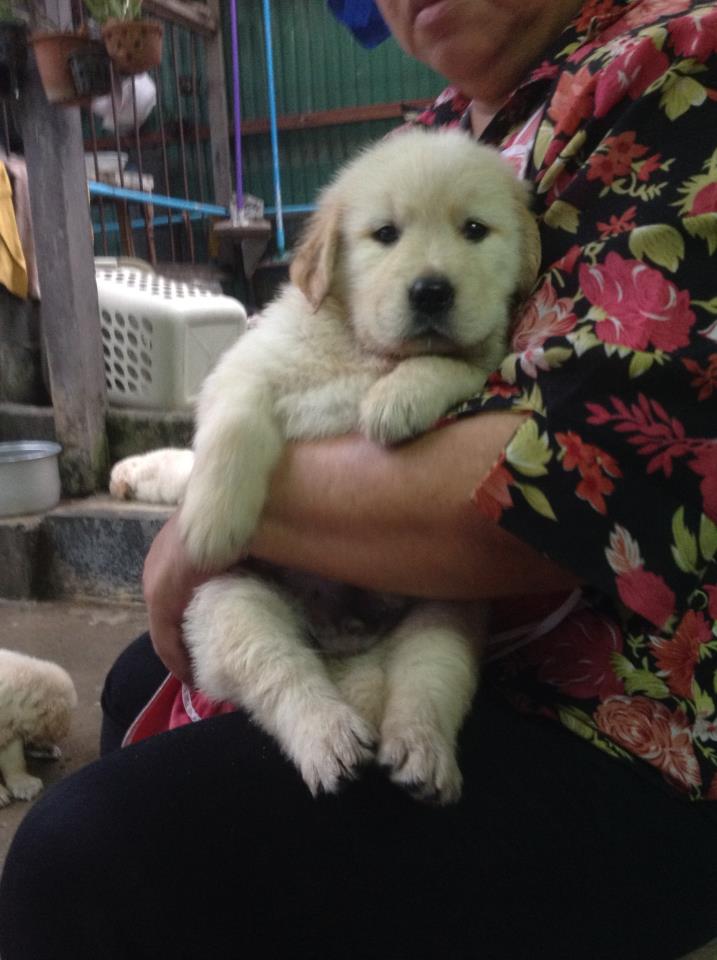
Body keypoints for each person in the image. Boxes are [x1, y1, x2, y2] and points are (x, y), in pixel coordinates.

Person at [2, 0, 717, 956]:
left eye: (474, 232)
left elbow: (565, 487)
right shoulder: (445, 124)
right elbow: (261, 378)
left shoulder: (677, 68)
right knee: (139, 678)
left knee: (80, 855)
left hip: (611, 706)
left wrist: (221, 524)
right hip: (381, 609)